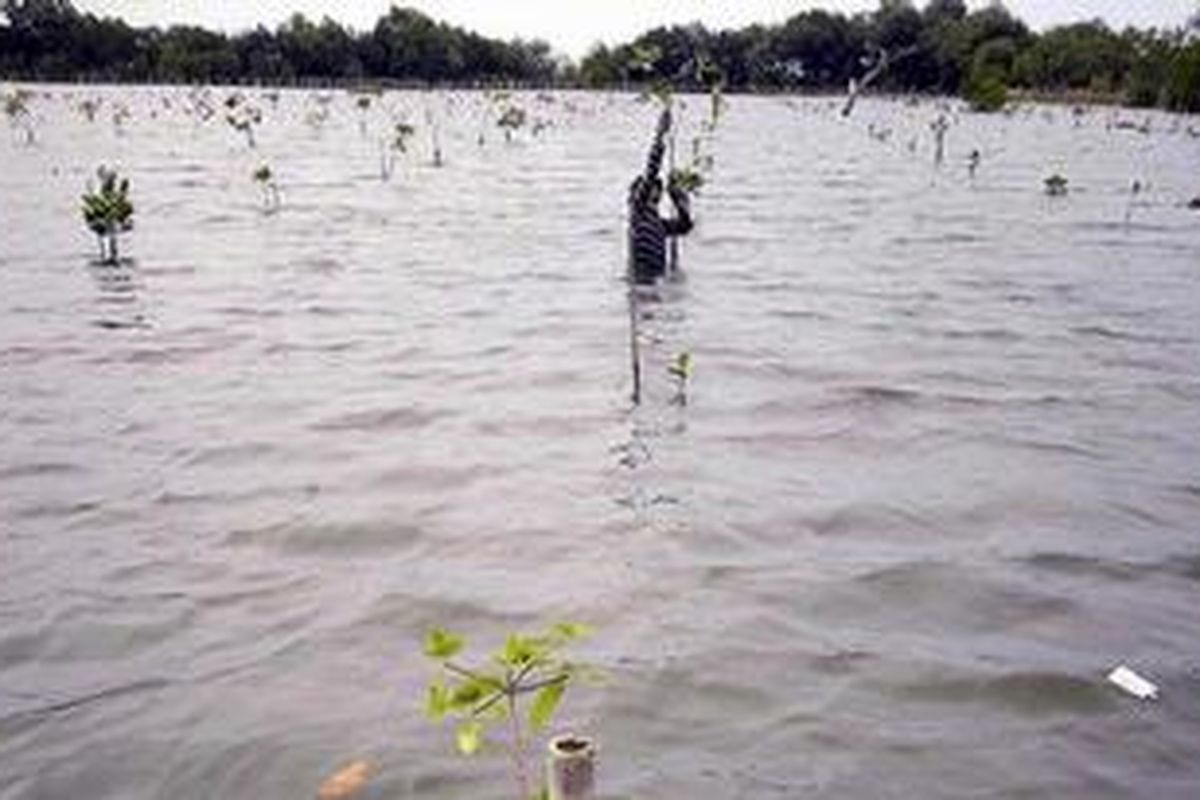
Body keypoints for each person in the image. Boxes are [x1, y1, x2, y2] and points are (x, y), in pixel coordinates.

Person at [628, 107, 693, 285]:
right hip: (642, 282)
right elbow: (650, 172)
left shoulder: (659, 224)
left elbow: (685, 226)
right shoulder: (638, 210)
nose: (657, 190)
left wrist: (679, 199)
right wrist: (660, 134)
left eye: (659, 188)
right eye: (655, 188)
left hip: (655, 280)